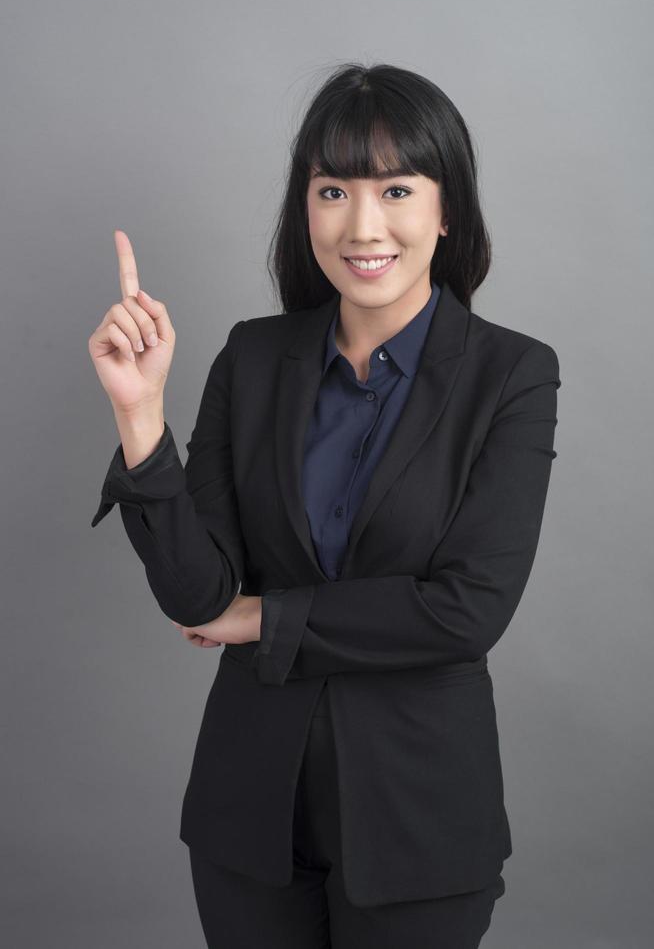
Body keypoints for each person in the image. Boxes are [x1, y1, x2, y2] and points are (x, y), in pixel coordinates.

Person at [88, 62, 561, 948]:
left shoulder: (513, 374)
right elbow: (197, 596)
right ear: (304, 206)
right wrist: (139, 413)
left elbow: (467, 610)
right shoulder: (252, 357)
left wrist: (265, 619)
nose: (362, 225)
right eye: (333, 189)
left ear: (446, 208)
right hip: (249, 817)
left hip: (418, 824)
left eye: (398, 189)